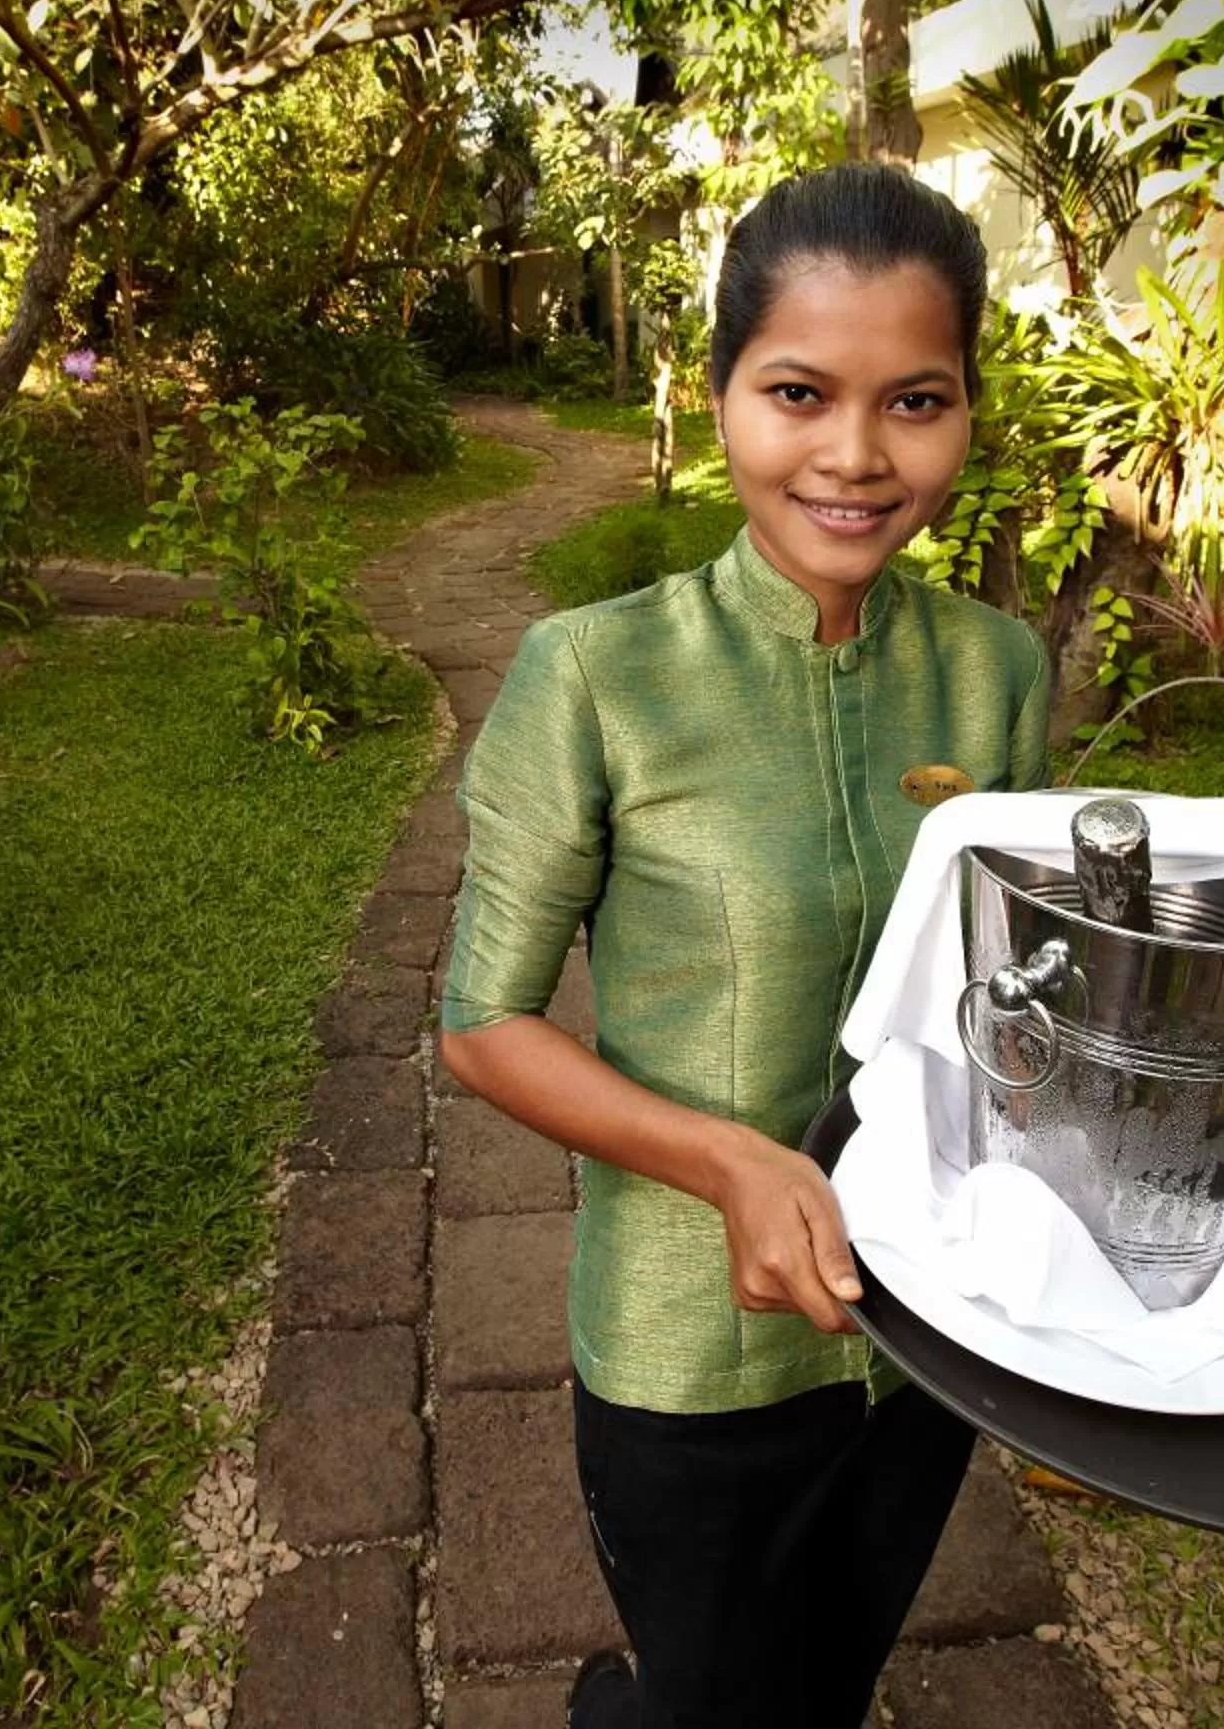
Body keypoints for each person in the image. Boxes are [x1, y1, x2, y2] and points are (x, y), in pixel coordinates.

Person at [437, 161, 1054, 1729]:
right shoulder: (594, 676)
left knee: (835, 1676)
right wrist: (732, 1163)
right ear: (718, 399)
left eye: (917, 401)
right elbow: (481, 1024)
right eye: (798, 392)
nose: (856, 456)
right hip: (686, 1347)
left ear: (969, 413)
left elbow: (1009, 982)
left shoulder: (996, 673)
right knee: (718, 1694)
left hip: (924, 1332)